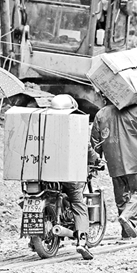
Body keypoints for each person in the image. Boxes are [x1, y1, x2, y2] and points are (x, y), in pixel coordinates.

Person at [91, 96, 137, 239]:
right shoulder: (135, 110)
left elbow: (95, 143)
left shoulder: (101, 114)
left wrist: (95, 164)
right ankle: (128, 217)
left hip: (114, 164)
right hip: (135, 162)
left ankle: (125, 236)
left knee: (122, 200)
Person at [49, 94, 97, 260]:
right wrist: (97, 159)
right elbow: (87, 149)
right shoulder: (76, 125)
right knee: (78, 203)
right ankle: (82, 241)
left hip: (44, 174)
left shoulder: (44, 123)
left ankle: (35, 238)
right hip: (70, 175)